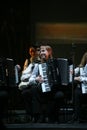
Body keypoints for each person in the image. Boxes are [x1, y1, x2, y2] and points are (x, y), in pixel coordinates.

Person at [28, 44, 64, 123]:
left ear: (50, 52)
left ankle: (54, 117)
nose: (41, 53)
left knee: (60, 95)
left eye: (43, 51)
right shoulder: (38, 65)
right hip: (42, 90)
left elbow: (62, 77)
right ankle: (39, 116)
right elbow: (31, 79)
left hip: (54, 90)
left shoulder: (56, 63)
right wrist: (36, 79)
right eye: (40, 51)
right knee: (34, 89)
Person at [18, 45, 41, 122]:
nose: (32, 53)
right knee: (24, 93)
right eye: (30, 51)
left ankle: (36, 115)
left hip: (37, 83)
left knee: (34, 90)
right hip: (29, 82)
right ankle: (30, 114)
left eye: (34, 51)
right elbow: (24, 74)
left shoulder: (40, 60)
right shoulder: (28, 61)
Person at [70, 52, 87, 123]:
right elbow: (74, 72)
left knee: (77, 93)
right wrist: (71, 72)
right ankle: (76, 116)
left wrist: (80, 79)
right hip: (83, 89)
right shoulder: (81, 67)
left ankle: (78, 116)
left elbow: (84, 78)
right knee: (76, 92)